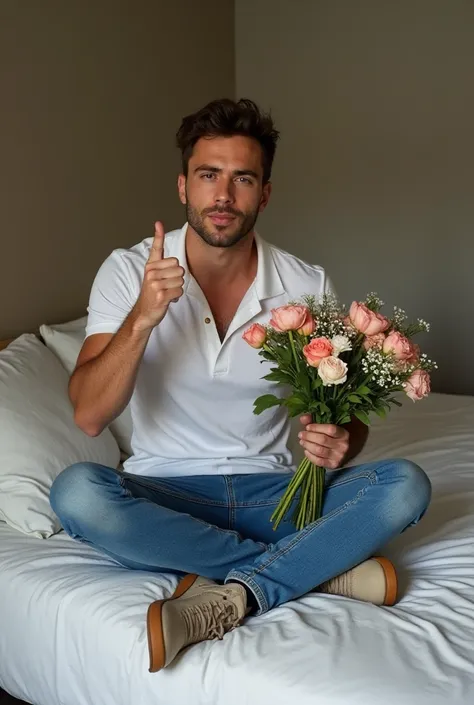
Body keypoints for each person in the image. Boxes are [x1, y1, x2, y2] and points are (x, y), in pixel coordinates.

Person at [50, 98, 431, 673]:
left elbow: (340, 416)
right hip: (168, 493)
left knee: (405, 484)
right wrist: (144, 317)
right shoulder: (129, 272)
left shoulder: (306, 282)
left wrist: (340, 441)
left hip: (278, 497)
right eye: (208, 175)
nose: (223, 195)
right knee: (77, 493)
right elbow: (88, 415)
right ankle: (319, 570)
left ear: (265, 193)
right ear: (183, 186)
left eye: (242, 178)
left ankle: (240, 591)